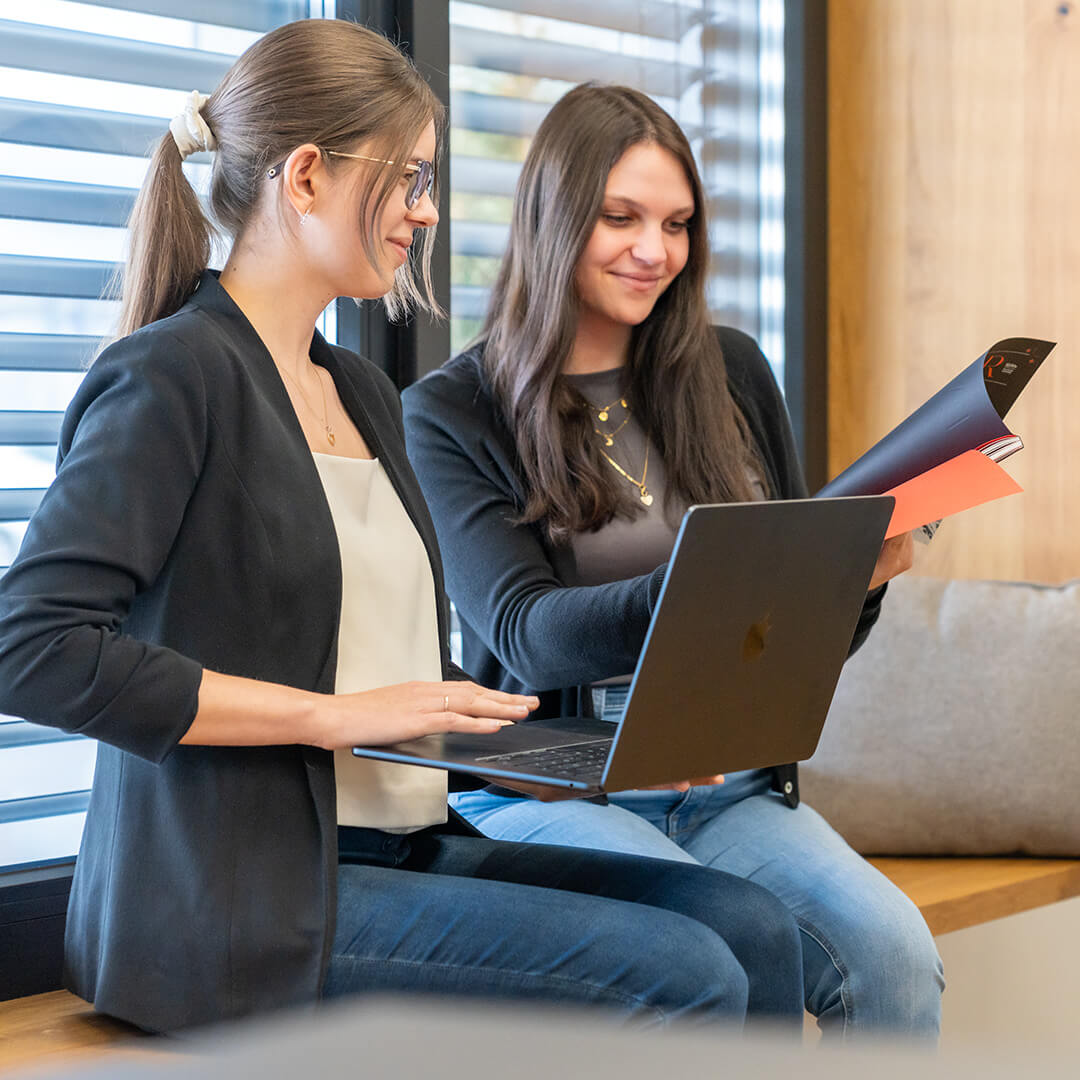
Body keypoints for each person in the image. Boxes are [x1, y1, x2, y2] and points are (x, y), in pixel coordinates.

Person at [0, 24, 809, 1035]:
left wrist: (586, 750)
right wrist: (327, 715)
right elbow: (31, 649)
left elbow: (395, 693)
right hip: (245, 897)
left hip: (400, 841)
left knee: (752, 925)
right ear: (304, 178)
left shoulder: (361, 391)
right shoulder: (174, 377)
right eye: (410, 178)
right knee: (684, 969)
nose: (426, 212)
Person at [402, 82, 945, 1042]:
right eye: (621, 217)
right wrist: (720, 581)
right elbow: (526, 637)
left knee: (895, 953)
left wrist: (848, 584)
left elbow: (783, 650)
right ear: (553, 217)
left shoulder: (731, 372)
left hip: (729, 789)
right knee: (730, 948)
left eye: (678, 223)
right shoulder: (454, 411)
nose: (654, 250)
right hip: (561, 788)